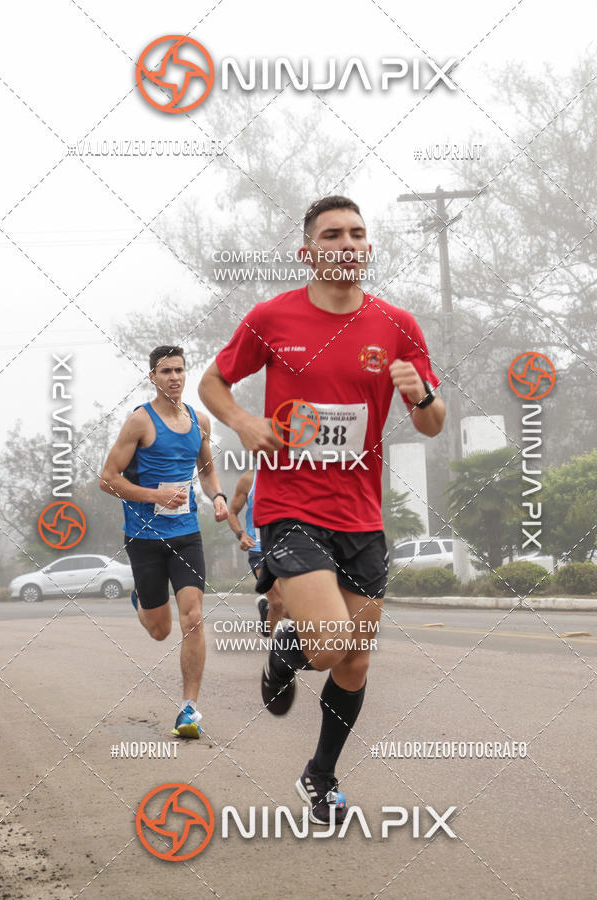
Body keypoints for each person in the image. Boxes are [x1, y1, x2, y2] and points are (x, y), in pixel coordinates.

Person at [198, 196, 445, 822]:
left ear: (368, 248)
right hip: (289, 505)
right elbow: (212, 383)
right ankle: (288, 648)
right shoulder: (271, 318)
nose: (347, 243)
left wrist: (423, 396)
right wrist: (243, 422)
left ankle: (319, 774)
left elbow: (434, 423)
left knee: (356, 659)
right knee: (332, 642)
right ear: (308, 252)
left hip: (361, 515)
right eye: (331, 234)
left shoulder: (397, 325)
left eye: (358, 234)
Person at [100, 345, 228, 739]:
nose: (174, 376)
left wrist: (218, 495)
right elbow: (107, 478)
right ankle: (141, 598)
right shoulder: (140, 421)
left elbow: (205, 470)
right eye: (166, 370)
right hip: (144, 538)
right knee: (160, 630)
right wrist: (154, 495)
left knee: (193, 618)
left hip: (186, 535)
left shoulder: (198, 420)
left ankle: (189, 709)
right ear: (152, 376)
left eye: (180, 370)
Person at [227, 468, 286, 636]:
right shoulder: (249, 479)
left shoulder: (295, 475)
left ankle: (266, 610)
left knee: (293, 605)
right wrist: (241, 534)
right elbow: (232, 513)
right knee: (279, 602)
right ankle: (278, 652)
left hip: (288, 546)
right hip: (259, 547)